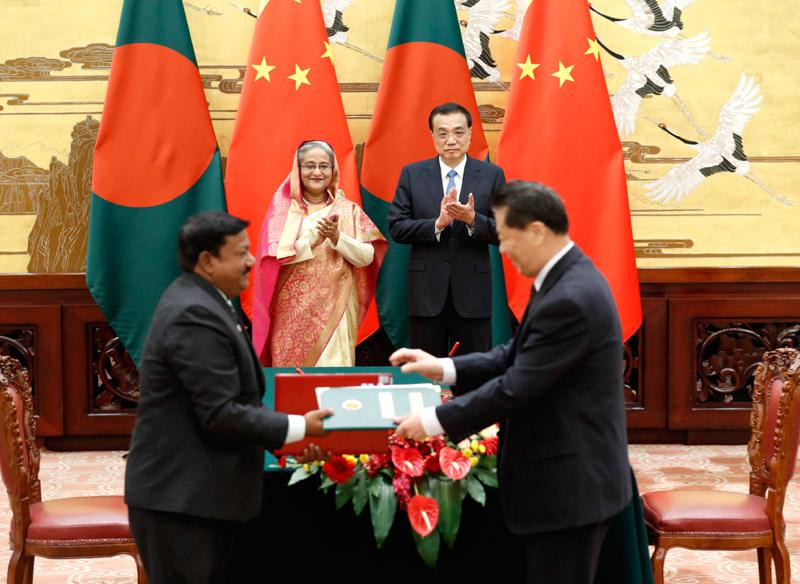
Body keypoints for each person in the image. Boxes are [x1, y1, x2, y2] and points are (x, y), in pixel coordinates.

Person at [393, 181, 632, 584]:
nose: (501, 249)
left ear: (536, 231)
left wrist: (434, 421)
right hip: (561, 480)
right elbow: (514, 354)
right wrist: (444, 368)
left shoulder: (571, 297)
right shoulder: (562, 277)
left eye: (505, 237)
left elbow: (516, 386)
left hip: (571, 487)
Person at [124, 211, 332, 583]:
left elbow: (238, 399)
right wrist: (301, 427)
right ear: (208, 261)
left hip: (200, 497)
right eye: (240, 253)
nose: (251, 261)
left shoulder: (207, 300)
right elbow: (220, 413)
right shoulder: (192, 313)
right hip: (181, 504)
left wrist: (289, 442)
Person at [252, 140, 386, 367]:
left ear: (333, 170)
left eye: (324, 166)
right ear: (298, 169)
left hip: (336, 311)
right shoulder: (283, 211)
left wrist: (337, 238)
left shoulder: (348, 210)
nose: (317, 172)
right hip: (291, 312)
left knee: (333, 375)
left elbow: (367, 257)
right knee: (293, 379)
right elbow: (273, 260)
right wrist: (310, 243)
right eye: (309, 165)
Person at [387, 102, 505, 357]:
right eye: (442, 133)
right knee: (426, 370)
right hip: (426, 293)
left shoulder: (492, 175)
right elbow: (396, 227)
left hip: (473, 294)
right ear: (432, 136)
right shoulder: (412, 174)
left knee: (473, 370)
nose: (451, 140)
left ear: (470, 133)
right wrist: (437, 224)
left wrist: (473, 220)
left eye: (458, 132)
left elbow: (505, 232)